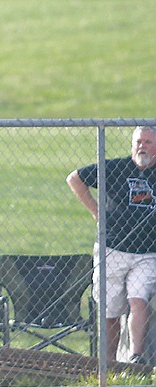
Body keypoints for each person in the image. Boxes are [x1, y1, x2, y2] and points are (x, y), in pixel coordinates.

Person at [66, 126, 156, 364]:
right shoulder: (115, 168)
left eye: (148, 142)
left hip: (147, 252)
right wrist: (96, 210)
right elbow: (74, 178)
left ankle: (135, 357)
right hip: (112, 249)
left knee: (139, 300)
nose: (142, 147)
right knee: (110, 311)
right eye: (138, 142)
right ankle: (108, 364)